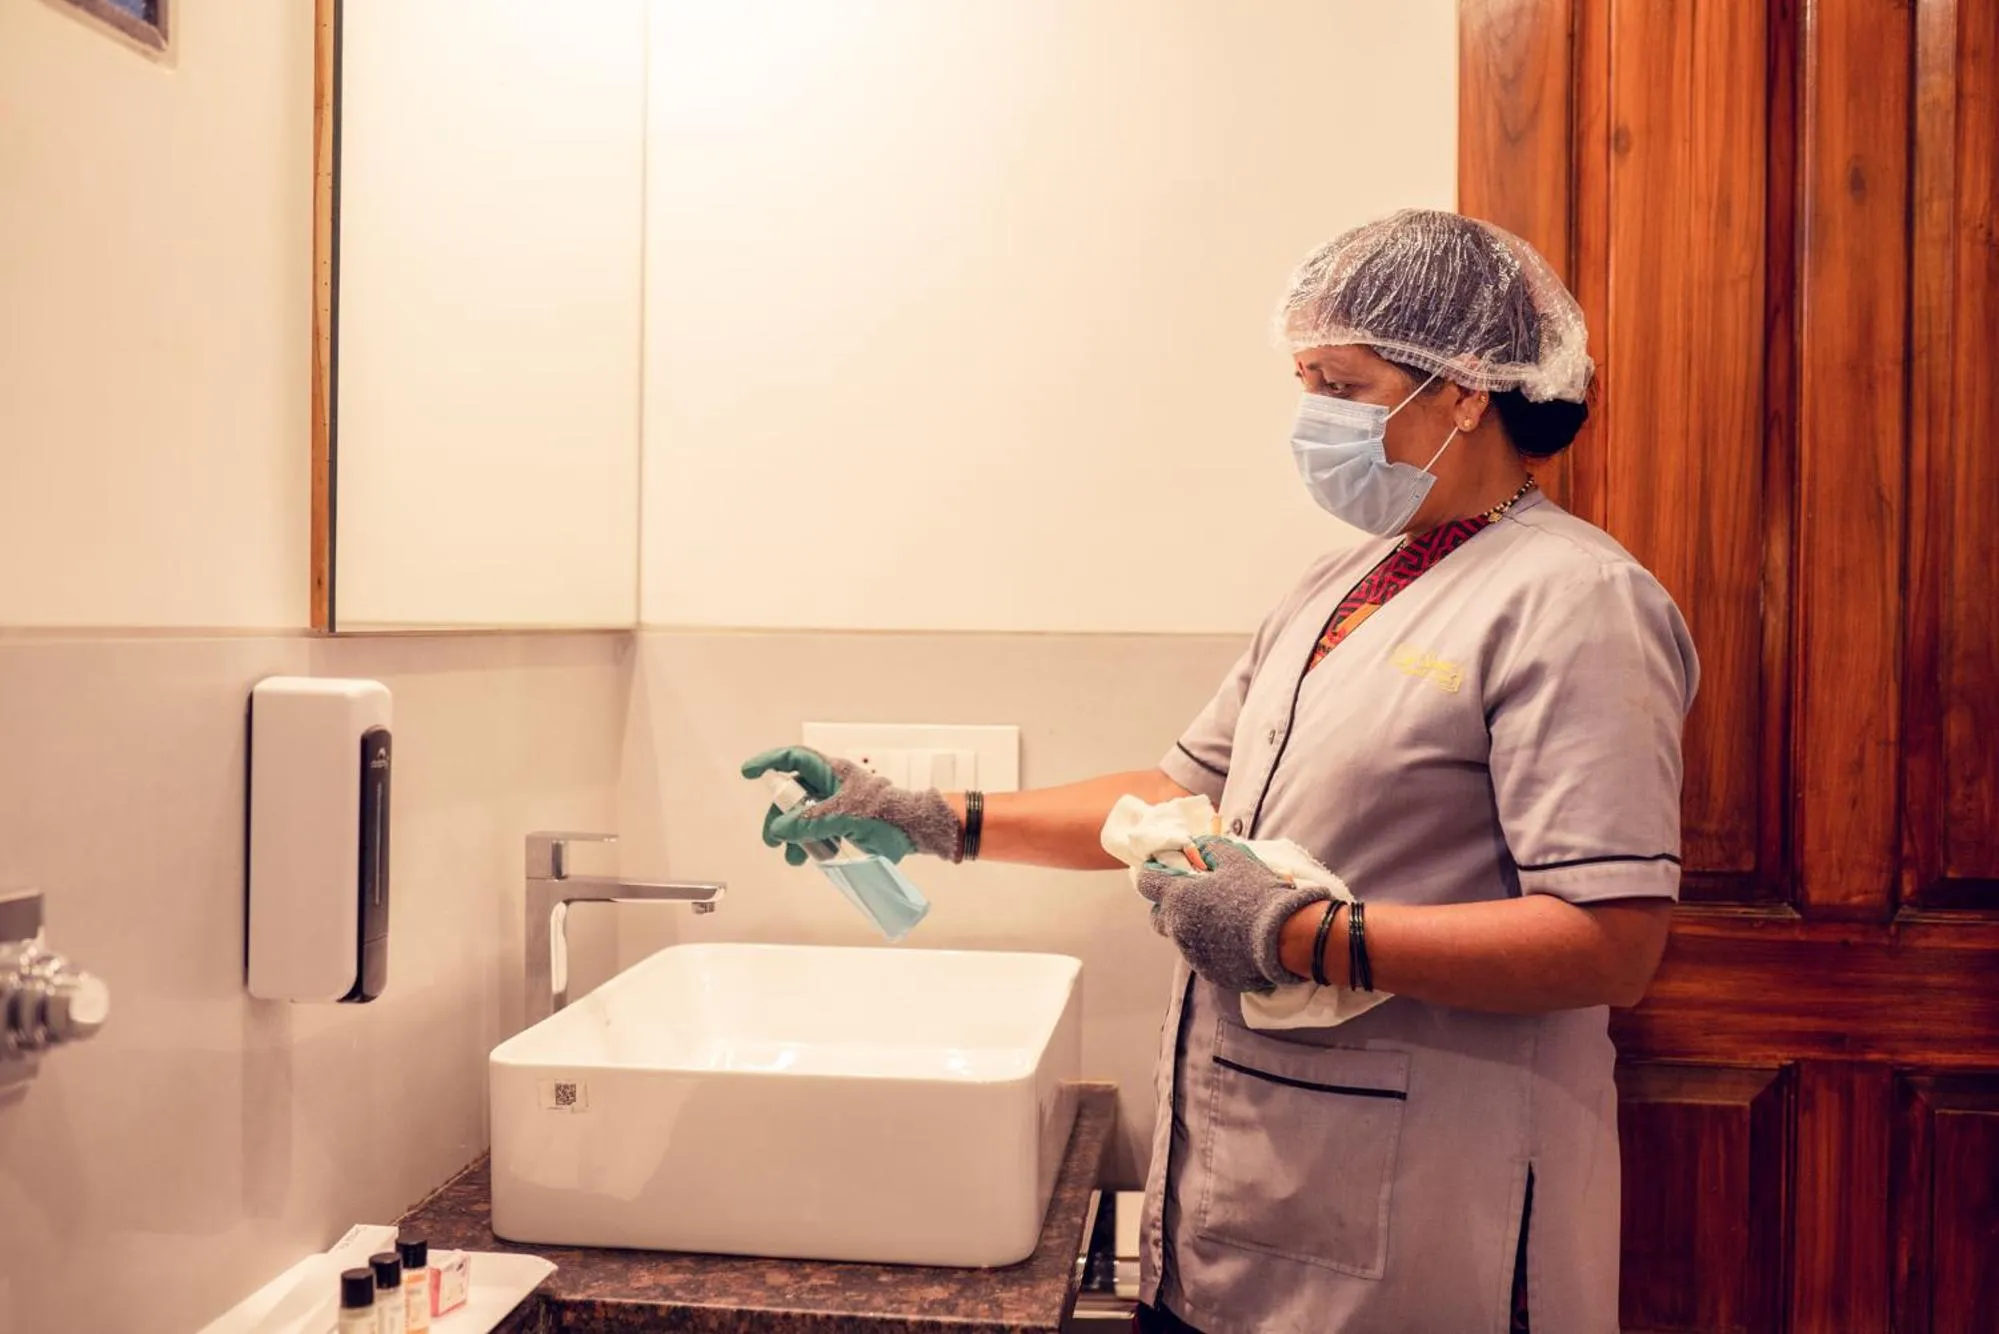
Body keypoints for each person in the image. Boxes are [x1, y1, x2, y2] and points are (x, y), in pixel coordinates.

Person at [743, 208, 1698, 1334]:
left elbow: (1612, 941)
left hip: (1433, 1205)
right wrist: (928, 812)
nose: (1313, 417)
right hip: (1250, 1186)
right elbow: (1168, 800)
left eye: (1341, 382)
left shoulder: (1574, 599)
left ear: (1464, 390)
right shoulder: (1340, 586)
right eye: (1304, 381)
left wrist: (1303, 934)